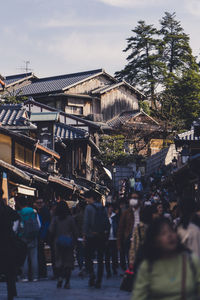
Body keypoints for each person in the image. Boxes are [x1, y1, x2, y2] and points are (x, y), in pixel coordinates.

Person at [132, 218, 200, 300]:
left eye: (171, 231)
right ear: (155, 240)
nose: (169, 235)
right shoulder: (148, 266)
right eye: (163, 233)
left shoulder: (191, 261)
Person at [83, 190, 110, 289]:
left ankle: (91, 275)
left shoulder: (88, 208)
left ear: (91, 198)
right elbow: (107, 222)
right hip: (101, 236)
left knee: (88, 257)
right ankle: (99, 280)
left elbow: (86, 222)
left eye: (86, 198)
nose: (85, 200)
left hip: (91, 236)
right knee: (100, 259)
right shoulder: (103, 208)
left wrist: (85, 235)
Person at [49, 201, 78, 289]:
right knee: (68, 262)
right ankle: (67, 282)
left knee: (59, 261)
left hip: (58, 242)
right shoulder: (70, 218)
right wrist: (75, 240)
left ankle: (60, 278)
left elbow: (51, 230)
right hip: (69, 242)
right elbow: (75, 231)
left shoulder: (55, 218)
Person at [17, 196, 41, 282]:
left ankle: (25, 276)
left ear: (19, 203)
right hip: (33, 237)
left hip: (23, 237)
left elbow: (16, 227)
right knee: (34, 257)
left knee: (24, 258)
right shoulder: (33, 211)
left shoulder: (19, 213)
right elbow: (39, 224)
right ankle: (35, 276)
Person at [0, 196, 19, 300]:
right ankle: (11, 292)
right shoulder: (7, 209)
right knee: (9, 271)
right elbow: (16, 217)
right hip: (7, 241)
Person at [117, 193, 141, 271]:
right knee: (131, 261)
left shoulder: (144, 211)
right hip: (129, 239)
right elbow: (120, 229)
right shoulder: (126, 213)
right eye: (132, 198)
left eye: (136, 198)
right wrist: (119, 243)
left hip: (141, 240)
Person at [129, 206, 152, 271]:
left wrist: (131, 260)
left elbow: (133, 245)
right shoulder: (154, 226)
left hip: (140, 255)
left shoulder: (138, 227)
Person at [34, 198, 51, 279]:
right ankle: (42, 272)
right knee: (40, 254)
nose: (39, 204)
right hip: (42, 235)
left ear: (44, 203)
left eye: (41, 202)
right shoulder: (40, 211)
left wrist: (42, 236)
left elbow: (46, 225)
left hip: (42, 235)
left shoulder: (44, 212)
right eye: (38, 203)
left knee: (40, 255)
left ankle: (42, 272)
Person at [105, 203, 119, 278]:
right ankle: (108, 271)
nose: (110, 209)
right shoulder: (104, 217)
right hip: (106, 239)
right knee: (107, 256)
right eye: (109, 208)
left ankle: (114, 268)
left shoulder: (115, 217)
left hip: (114, 238)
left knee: (114, 255)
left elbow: (118, 226)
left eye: (111, 208)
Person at [74, 201, 87, 276]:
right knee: (87, 253)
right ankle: (87, 267)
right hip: (88, 236)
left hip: (79, 237)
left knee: (80, 254)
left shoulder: (77, 216)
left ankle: (81, 267)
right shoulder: (88, 215)